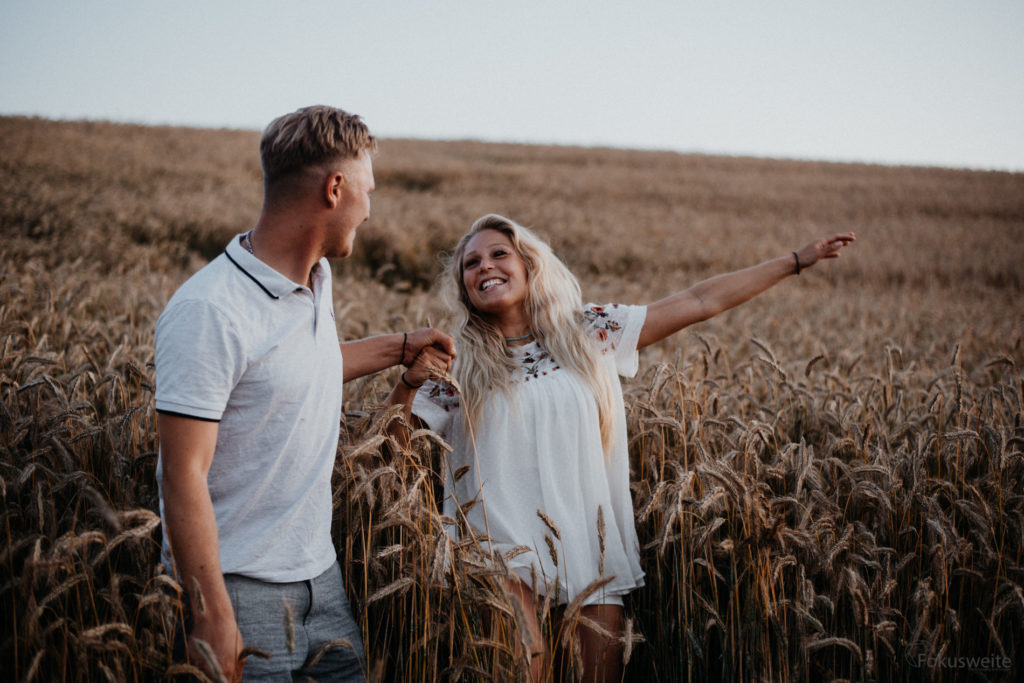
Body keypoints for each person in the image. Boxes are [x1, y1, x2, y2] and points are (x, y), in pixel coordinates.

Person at [386, 213, 854, 682]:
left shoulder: (588, 331)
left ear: (529, 265)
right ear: (464, 286)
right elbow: (390, 447)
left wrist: (795, 261)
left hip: (589, 539)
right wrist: (409, 383)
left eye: (498, 254)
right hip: (497, 547)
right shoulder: (456, 363)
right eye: (471, 263)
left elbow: (699, 300)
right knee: (526, 670)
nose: (484, 266)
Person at [154, 105, 456, 682]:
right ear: (335, 188)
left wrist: (401, 347)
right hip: (240, 588)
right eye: (367, 191)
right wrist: (210, 614)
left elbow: (295, 368)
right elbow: (181, 473)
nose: (369, 210)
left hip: (322, 579)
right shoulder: (209, 310)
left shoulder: (314, 279)